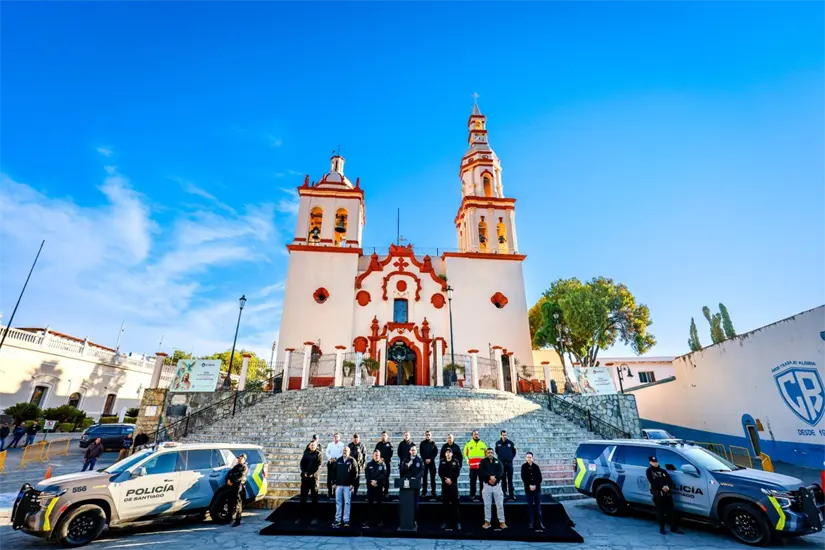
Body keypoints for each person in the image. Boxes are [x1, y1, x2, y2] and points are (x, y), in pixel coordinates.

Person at [646, 455, 683, 535]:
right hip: (658, 493)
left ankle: (673, 528)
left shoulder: (663, 471)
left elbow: (669, 480)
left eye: (656, 462)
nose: (655, 463)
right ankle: (662, 528)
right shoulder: (649, 471)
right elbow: (652, 481)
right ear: (650, 462)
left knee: (671, 511)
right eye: (653, 462)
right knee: (660, 512)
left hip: (667, 493)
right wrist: (661, 487)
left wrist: (668, 487)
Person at [479, 447, 506, 529]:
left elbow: (501, 472)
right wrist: (489, 478)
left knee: (500, 505)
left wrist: (495, 478)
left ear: (493, 453)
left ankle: (502, 522)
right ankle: (487, 522)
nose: (490, 454)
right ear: (486, 453)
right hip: (487, 485)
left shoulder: (498, 462)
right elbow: (481, 472)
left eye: (491, 452)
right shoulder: (483, 462)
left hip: (497, 485)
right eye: (488, 452)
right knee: (487, 505)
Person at [332, 446, 358, 528]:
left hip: (348, 486)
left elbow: (356, 473)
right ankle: (338, 520)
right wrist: (334, 483)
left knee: (347, 503)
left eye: (346, 450)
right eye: (343, 450)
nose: (344, 452)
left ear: (349, 452)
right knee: (338, 503)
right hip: (339, 485)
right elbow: (334, 472)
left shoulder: (352, 460)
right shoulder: (338, 460)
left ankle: (346, 520)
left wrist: (352, 484)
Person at [438, 447, 462, 531]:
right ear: (445, 454)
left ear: (452, 454)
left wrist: (451, 479)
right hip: (445, 485)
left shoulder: (455, 462)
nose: (448, 454)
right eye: (446, 452)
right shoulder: (442, 462)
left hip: (453, 485)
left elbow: (457, 472)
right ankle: (445, 522)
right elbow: (440, 472)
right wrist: (446, 479)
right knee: (445, 504)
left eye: (449, 452)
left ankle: (457, 523)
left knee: (455, 505)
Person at [299, 440, 322, 525]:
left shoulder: (319, 454)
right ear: (309, 446)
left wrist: (313, 474)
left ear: (316, 446)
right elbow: (301, 464)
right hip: (305, 478)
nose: (312, 446)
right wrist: (304, 472)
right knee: (303, 498)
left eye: (314, 445)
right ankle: (301, 517)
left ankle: (315, 518)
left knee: (314, 498)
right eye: (311, 445)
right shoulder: (305, 453)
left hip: (314, 479)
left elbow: (319, 466)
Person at [399, 444, 424, 521]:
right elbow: (402, 470)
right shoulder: (406, 460)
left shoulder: (419, 460)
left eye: (415, 450)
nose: (413, 452)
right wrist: (407, 466)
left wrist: (415, 478)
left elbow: (422, 471)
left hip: (416, 484)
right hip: (407, 485)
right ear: (409, 451)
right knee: (406, 503)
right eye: (412, 450)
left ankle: (415, 520)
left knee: (415, 503)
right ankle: (406, 519)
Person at [364, 449, 387, 528]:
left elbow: (384, 475)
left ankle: (379, 520)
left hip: (379, 487)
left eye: (378, 455)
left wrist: (376, 481)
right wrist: (371, 482)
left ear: (380, 456)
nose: (377, 456)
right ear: (373, 455)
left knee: (379, 504)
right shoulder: (369, 464)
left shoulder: (382, 464)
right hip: (370, 487)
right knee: (369, 504)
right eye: (375, 455)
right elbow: (367, 475)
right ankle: (368, 521)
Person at [521, 452, 544, 530]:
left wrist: (535, 485)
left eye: (530, 457)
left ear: (532, 458)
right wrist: (529, 485)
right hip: (528, 489)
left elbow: (540, 478)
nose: (529, 459)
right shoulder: (523, 467)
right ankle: (531, 523)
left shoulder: (536, 467)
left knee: (538, 507)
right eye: (527, 457)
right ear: (525, 458)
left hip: (537, 489)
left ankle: (540, 523)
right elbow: (523, 477)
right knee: (530, 506)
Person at [463, 430, 487, 501]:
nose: (476, 435)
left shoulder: (483, 444)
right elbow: (465, 453)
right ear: (472, 435)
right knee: (472, 481)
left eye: (477, 434)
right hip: (473, 466)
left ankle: (482, 494)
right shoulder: (468, 444)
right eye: (475, 434)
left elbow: (487, 453)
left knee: (482, 481)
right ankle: (472, 495)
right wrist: (467, 460)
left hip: (481, 467)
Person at [226, 453, 249, 527]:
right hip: (232, 486)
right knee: (230, 502)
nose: (239, 459)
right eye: (238, 458)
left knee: (238, 504)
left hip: (238, 487)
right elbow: (230, 473)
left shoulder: (244, 467)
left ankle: (237, 520)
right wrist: (228, 479)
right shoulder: (236, 466)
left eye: (241, 458)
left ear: (244, 459)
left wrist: (232, 480)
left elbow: (241, 477)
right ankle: (229, 518)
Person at [495, 430, 517, 501]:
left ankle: (511, 494)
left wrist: (510, 458)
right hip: (502, 464)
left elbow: (514, 452)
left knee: (510, 479)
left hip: (509, 464)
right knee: (503, 479)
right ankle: (504, 494)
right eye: (503, 435)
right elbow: (497, 451)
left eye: (505, 435)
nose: (504, 436)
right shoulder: (498, 443)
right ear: (501, 435)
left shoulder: (510, 443)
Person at [325, 432, 345, 498]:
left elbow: (342, 453)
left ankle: (337, 492)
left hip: (338, 463)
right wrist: (330, 458)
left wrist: (336, 459)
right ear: (333, 437)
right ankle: (330, 492)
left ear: (339, 438)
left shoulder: (342, 444)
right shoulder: (330, 444)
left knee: (337, 478)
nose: (336, 438)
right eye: (335, 437)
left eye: (337, 437)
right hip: (330, 463)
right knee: (329, 478)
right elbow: (327, 452)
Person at [419, 431, 438, 499]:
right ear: (425, 435)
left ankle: (433, 492)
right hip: (424, 463)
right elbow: (421, 452)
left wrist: (430, 459)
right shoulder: (422, 443)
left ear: (431, 435)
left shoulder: (433, 443)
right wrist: (425, 459)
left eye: (429, 435)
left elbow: (435, 452)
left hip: (432, 462)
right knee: (424, 478)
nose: (428, 436)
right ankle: (424, 492)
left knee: (433, 478)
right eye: (426, 435)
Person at [374, 432, 394, 497]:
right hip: (378, 464)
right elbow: (375, 452)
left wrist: (384, 459)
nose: (383, 436)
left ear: (387, 436)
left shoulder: (389, 444)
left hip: (386, 463)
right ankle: (379, 492)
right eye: (382, 435)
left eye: (385, 435)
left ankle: (386, 492)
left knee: (386, 478)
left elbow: (391, 453)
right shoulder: (378, 444)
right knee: (378, 477)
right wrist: (379, 459)